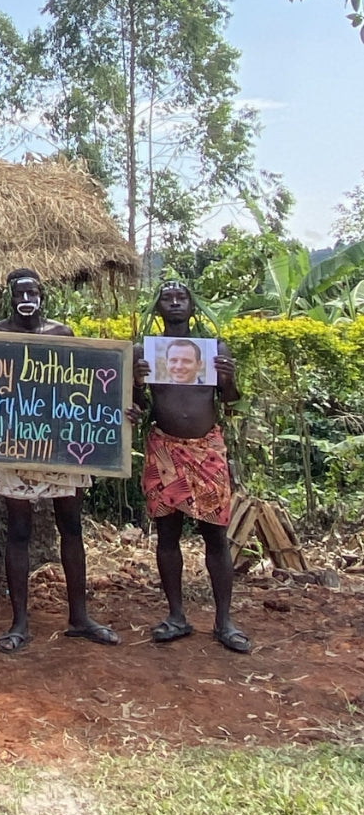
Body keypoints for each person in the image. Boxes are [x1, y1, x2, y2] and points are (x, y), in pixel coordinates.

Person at [0, 269, 120, 654]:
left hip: (61, 448)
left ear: (42, 296)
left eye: (32, 292)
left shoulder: (61, 335)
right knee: (18, 530)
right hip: (12, 446)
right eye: (19, 293)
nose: (26, 298)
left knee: (71, 527)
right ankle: (19, 621)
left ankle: (79, 616)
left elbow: (82, 390)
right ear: (10, 297)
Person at [134, 280, 250, 653]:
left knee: (215, 535)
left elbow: (231, 401)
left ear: (192, 305)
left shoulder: (214, 350)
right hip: (164, 449)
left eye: (181, 298)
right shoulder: (146, 353)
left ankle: (224, 621)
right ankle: (176, 616)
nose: (174, 303)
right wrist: (136, 381)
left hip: (207, 450)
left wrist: (228, 377)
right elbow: (135, 405)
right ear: (158, 307)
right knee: (167, 535)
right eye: (167, 298)